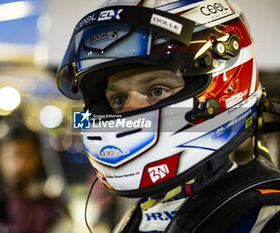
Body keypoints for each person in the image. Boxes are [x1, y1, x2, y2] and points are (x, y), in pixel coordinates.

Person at [55, 0, 280, 232]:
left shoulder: (264, 218)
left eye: (157, 90)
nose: (128, 111)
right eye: (118, 100)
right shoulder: (140, 216)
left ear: (227, 86)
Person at [0, 126, 72, 233]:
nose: (19, 164)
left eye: (27, 155)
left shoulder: (53, 207)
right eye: (11, 156)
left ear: (39, 158)